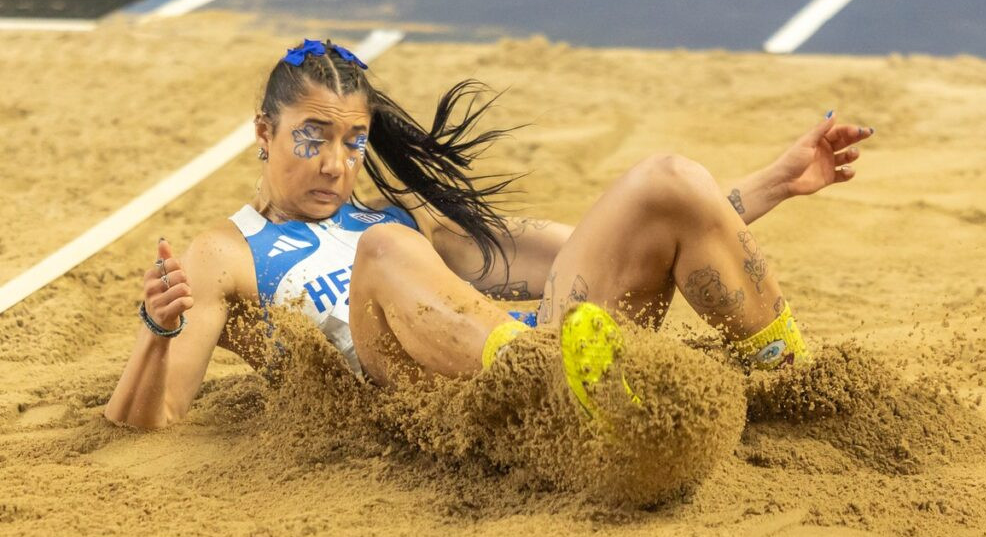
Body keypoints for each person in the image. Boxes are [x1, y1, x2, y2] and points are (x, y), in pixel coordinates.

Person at [103, 39, 873, 429]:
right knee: (386, 251)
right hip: (424, 406)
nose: (336, 164)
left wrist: (769, 184)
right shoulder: (223, 253)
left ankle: (793, 382)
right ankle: (545, 374)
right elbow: (155, 420)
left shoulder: (404, 224)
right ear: (263, 133)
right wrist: (155, 329)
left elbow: (598, 254)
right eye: (312, 138)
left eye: (353, 141)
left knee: (668, 179)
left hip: (538, 360)